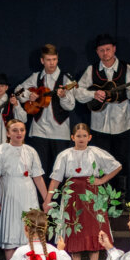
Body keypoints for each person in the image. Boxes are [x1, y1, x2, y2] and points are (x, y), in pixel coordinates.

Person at [46, 123, 122, 260]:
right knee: (74, 228)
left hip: (91, 194)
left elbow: (116, 166)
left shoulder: (95, 152)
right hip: (72, 194)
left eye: (84, 136)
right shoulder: (65, 155)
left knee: (94, 228)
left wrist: (102, 180)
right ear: (72, 137)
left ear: (89, 137)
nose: (81, 139)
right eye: (78, 136)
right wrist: (48, 200)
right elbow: (55, 179)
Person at [73, 34, 130, 195]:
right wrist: (93, 95)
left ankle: (122, 198)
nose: (105, 53)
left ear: (114, 49)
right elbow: (78, 92)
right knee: (101, 162)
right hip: (99, 123)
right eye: (102, 50)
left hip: (123, 122)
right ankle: (103, 198)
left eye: (108, 50)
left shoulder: (127, 69)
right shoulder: (92, 70)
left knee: (122, 161)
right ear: (97, 52)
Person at [0, 120, 49, 260]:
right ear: (8, 133)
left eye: (22, 130)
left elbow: (38, 177)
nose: (19, 133)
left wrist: (47, 200)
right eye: (15, 130)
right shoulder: (1, 150)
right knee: (11, 227)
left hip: (27, 191)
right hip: (9, 190)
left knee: (29, 227)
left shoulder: (30, 151)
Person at [17, 44, 77, 176]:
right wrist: (29, 96)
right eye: (48, 60)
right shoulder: (36, 77)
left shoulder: (66, 79)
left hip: (60, 132)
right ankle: (40, 197)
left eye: (54, 59)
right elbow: (18, 91)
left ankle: (57, 197)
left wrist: (63, 96)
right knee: (39, 170)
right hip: (39, 131)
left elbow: (70, 106)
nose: (52, 63)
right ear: (42, 61)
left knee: (59, 172)